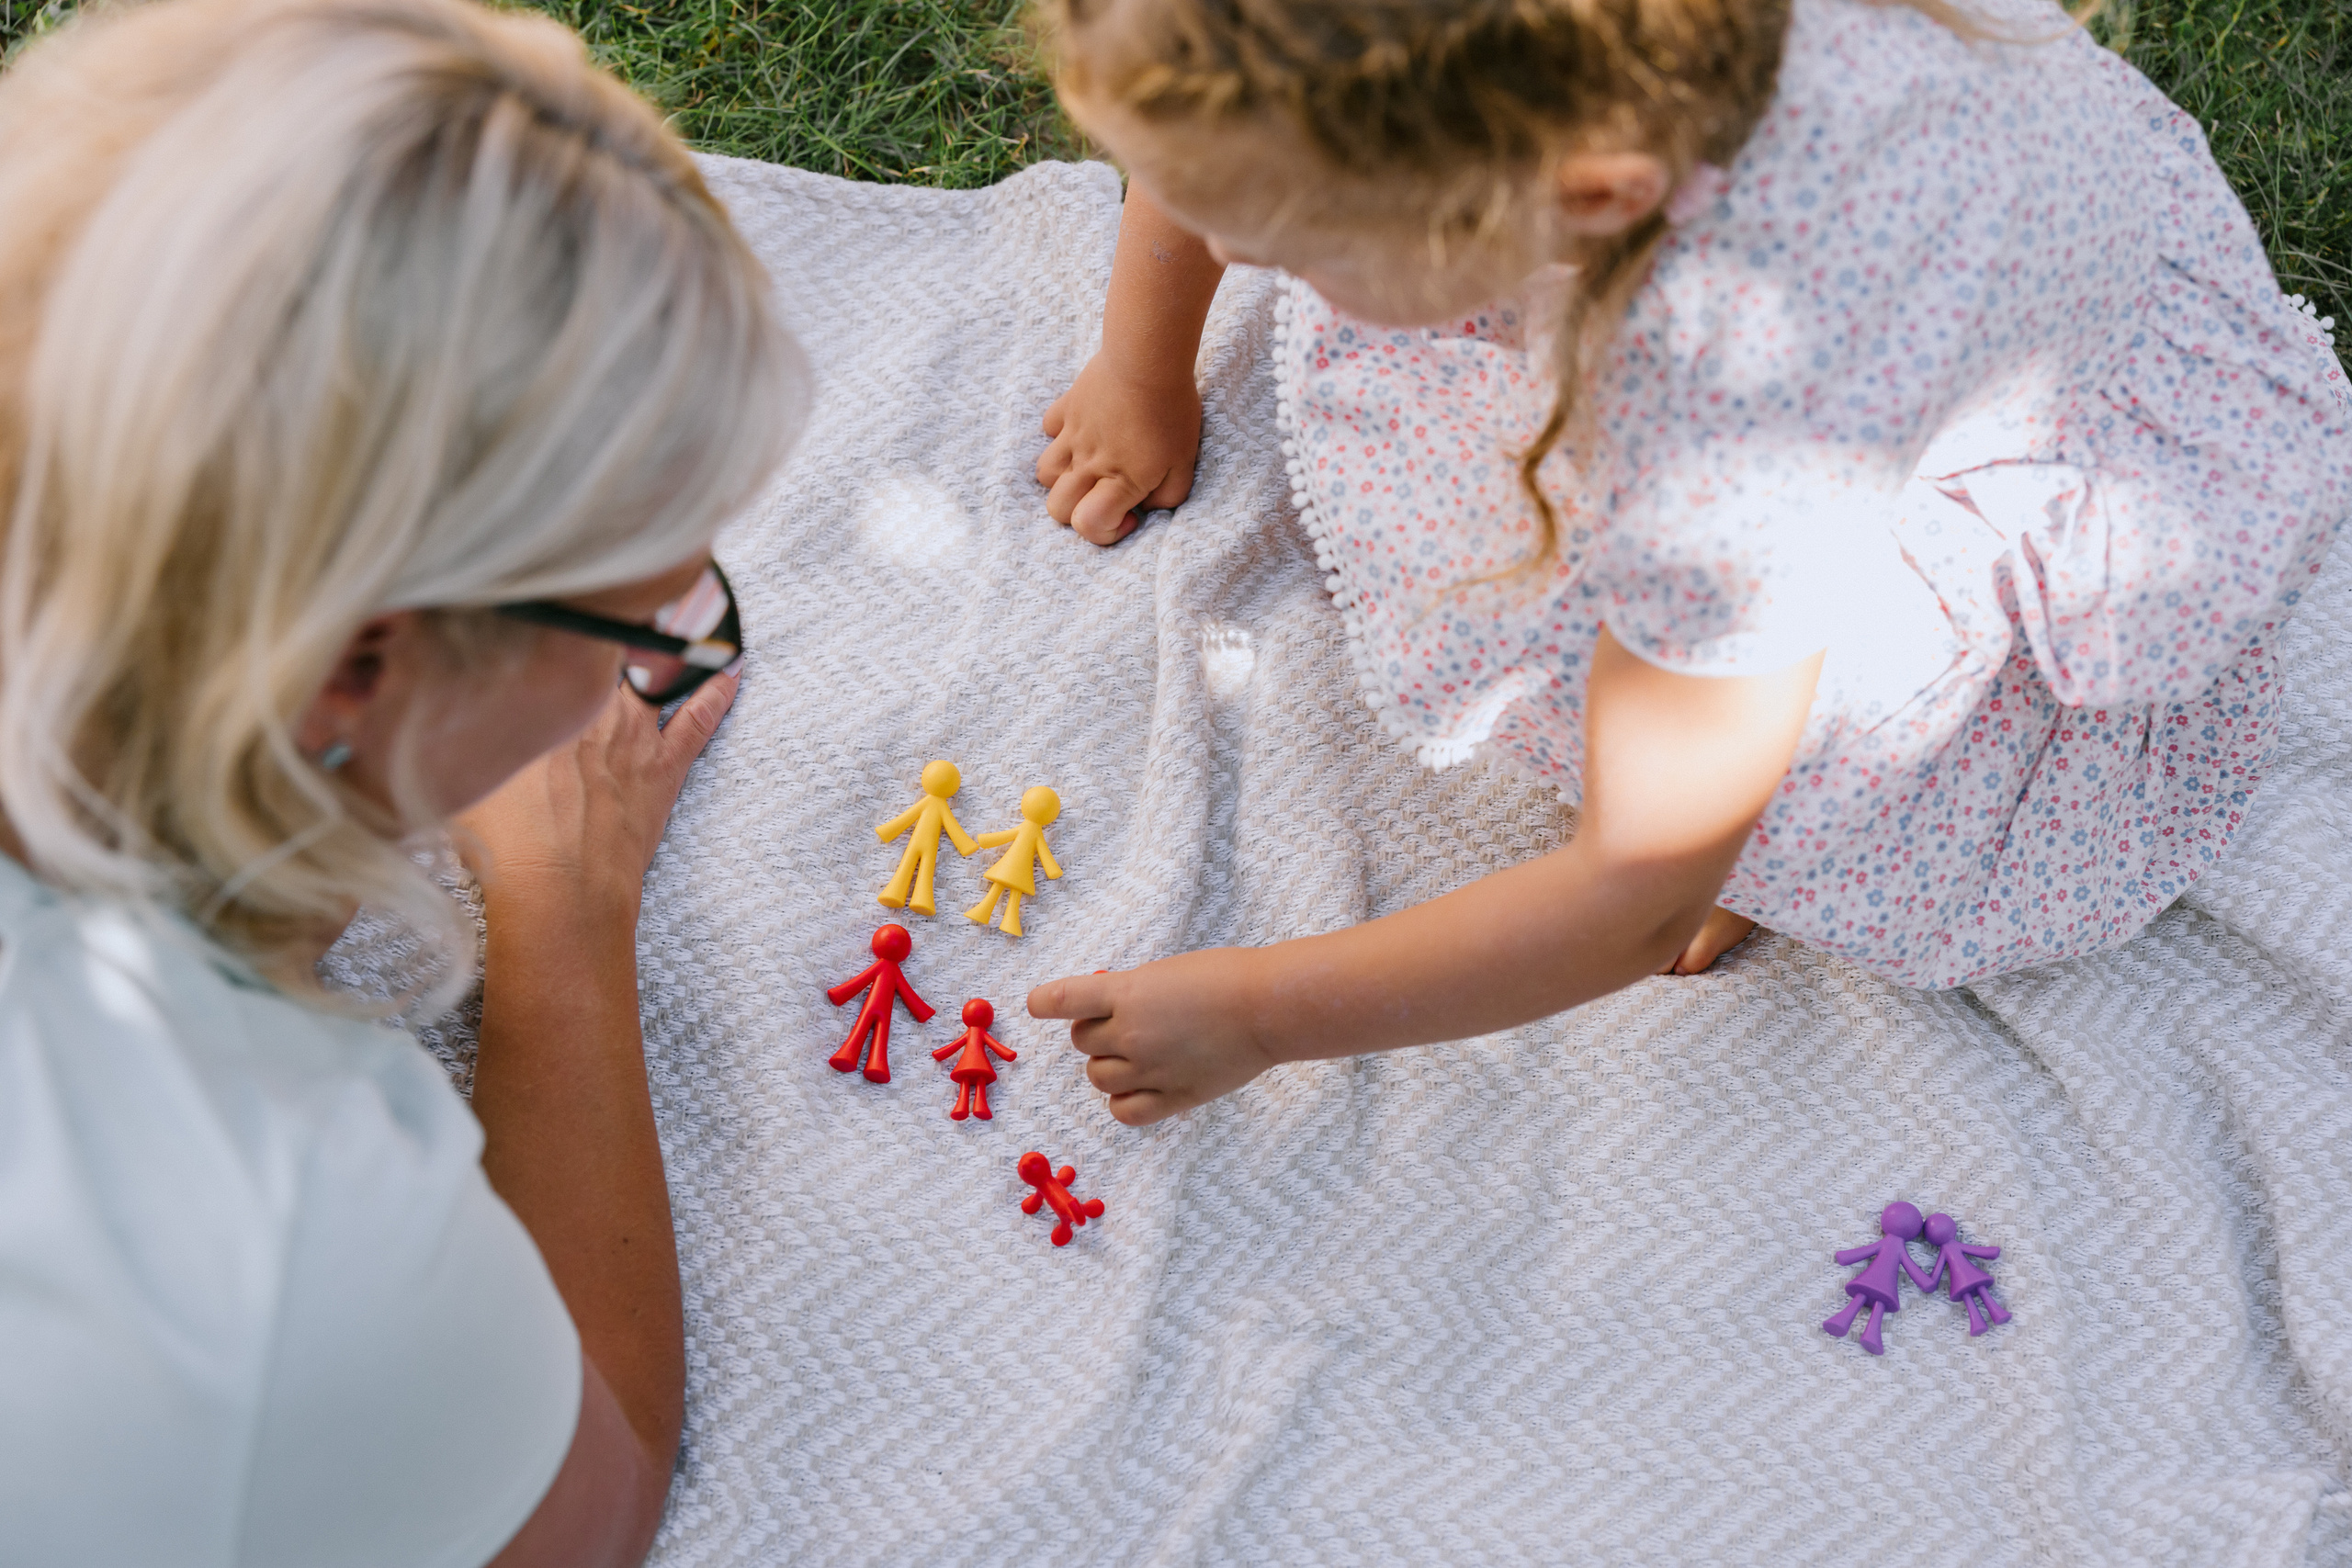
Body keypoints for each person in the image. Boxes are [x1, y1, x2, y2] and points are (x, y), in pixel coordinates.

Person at [1025, 0, 2351, 1125]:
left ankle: (1777, 831)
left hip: (1975, 450)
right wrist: (1143, 365)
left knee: (1692, 754)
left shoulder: (1737, 425)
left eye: (1285, 236)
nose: (1242, 258)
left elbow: (1634, 892)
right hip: (1989, 269)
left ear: (1584, 197)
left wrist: (1259, 1014)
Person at [0, 0, 808, 1562]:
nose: (660, 647)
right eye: (636, 618)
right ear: (346, 674)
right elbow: (586, 1505)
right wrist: (567, 909)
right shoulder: (284, 1234)